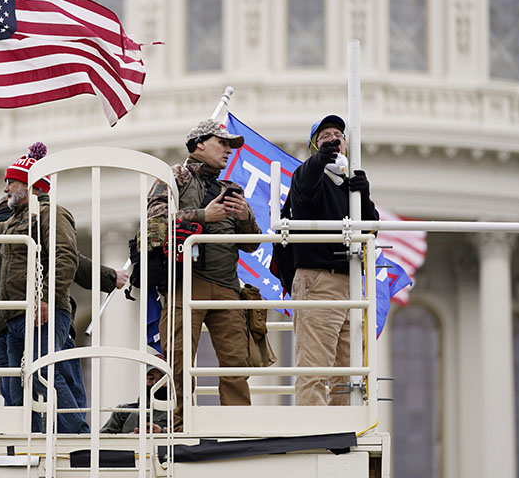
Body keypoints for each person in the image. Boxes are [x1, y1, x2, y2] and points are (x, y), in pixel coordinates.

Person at [147, 119, 261, 430]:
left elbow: (253, 245)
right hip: (186, 284)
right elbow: (154, 228)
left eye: (230, 145)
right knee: (179, 359)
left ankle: (237, 427)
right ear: (199, 144)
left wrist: (246, 218)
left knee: (238, 361)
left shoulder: (231, 190)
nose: (228, 150)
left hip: (227, 287)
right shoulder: (173, 178)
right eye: (221, 143)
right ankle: (180, 424)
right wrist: (202, 216)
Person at [0, 199, 127, 408]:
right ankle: (75, 433)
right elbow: (72, 261)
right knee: (59, 377)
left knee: (15, 392)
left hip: (0, 328)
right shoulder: (20, 234)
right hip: (39, 317)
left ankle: (21, 438)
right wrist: (110, 276)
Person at [0, 142, 88, 433]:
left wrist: (46, 299)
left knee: (44, 370)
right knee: (20, 384)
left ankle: (76, 432)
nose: (5, 189)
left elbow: (65, 256)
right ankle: (27, 435)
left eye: (11, 181)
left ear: (30, 184)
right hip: (16, 316)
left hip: (42, 312)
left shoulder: (51, 213)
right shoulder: (18, 219)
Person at [288, 114, 378, 406]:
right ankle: (314, 433)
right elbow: (303, 190)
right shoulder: (308, 176)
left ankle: (343, 432)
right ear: (315, 146)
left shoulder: (348, 187)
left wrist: (363, 197)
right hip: (319, 280)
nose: (332, 139)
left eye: (337, 134)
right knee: (315, 368)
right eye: (324, 136)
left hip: (349, 282)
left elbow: (371, 228)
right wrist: (318, 162)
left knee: (348, 373)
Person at [101, 365, 169, 434]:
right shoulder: (123, 412)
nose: (156, 383)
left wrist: (162, 432)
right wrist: (130, 438)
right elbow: (102, 440)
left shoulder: (177, 414)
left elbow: (179, 438)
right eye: (150, 378)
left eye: (162, 379)